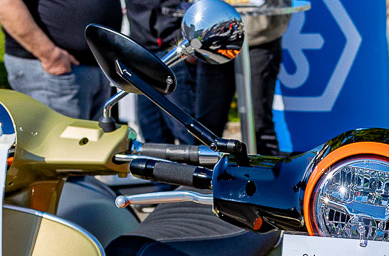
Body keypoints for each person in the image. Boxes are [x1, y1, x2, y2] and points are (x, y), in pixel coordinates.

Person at [123, 0, 289, 153]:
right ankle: (208, 175)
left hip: (258, 36)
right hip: (214, 37)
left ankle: (269, 175)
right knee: (205, 129)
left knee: (259, 125)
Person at [0, 0, 122, 119]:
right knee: (59, 138)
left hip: (96, 67)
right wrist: (50, 55)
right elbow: (2, 2)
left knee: (93, 138)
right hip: (54, 71)